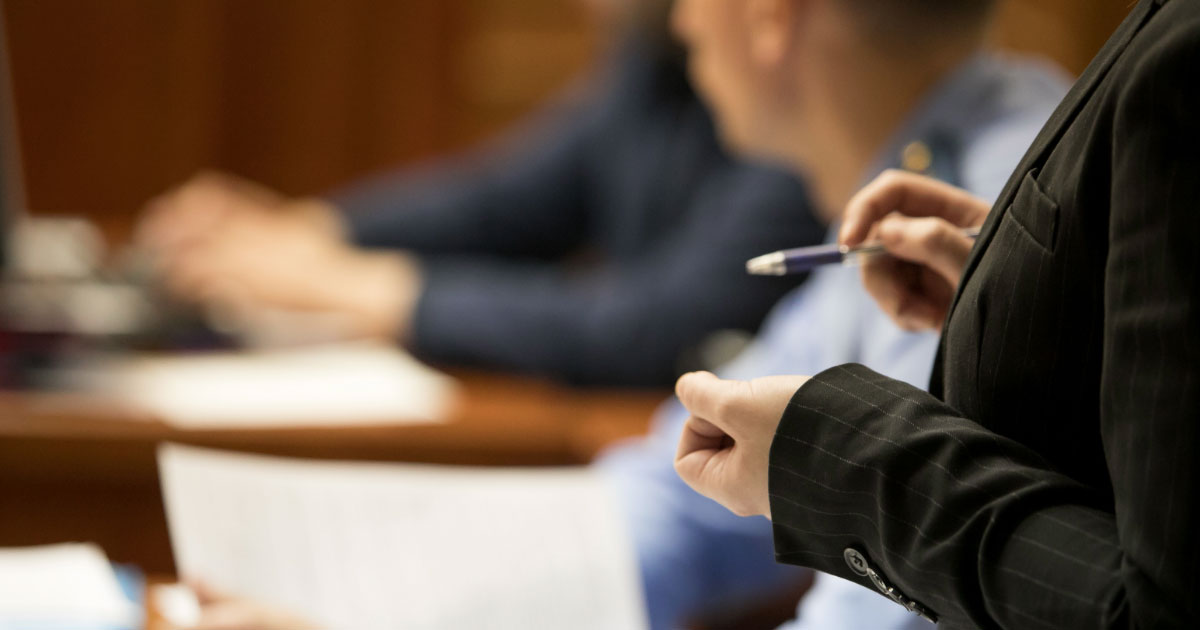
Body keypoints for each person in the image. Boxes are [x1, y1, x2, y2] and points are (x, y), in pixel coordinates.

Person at [673, 0, 1200, 627]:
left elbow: (1156, 609)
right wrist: (1009, 300)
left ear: (773, 15)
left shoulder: (1178, 65)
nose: (681, 19)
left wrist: (846, 465)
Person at [597, 0, 1070, 627]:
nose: (681, 19)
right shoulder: (917, 166)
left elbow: (895, 603)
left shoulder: (982, 202)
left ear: (770, 14)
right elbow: (695, 483)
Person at [136, 0, 821, 387]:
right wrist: (310, 231)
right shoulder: (652, 59)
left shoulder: (799, 120)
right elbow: (507, 201)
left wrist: (368, 288)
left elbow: (656, 327)